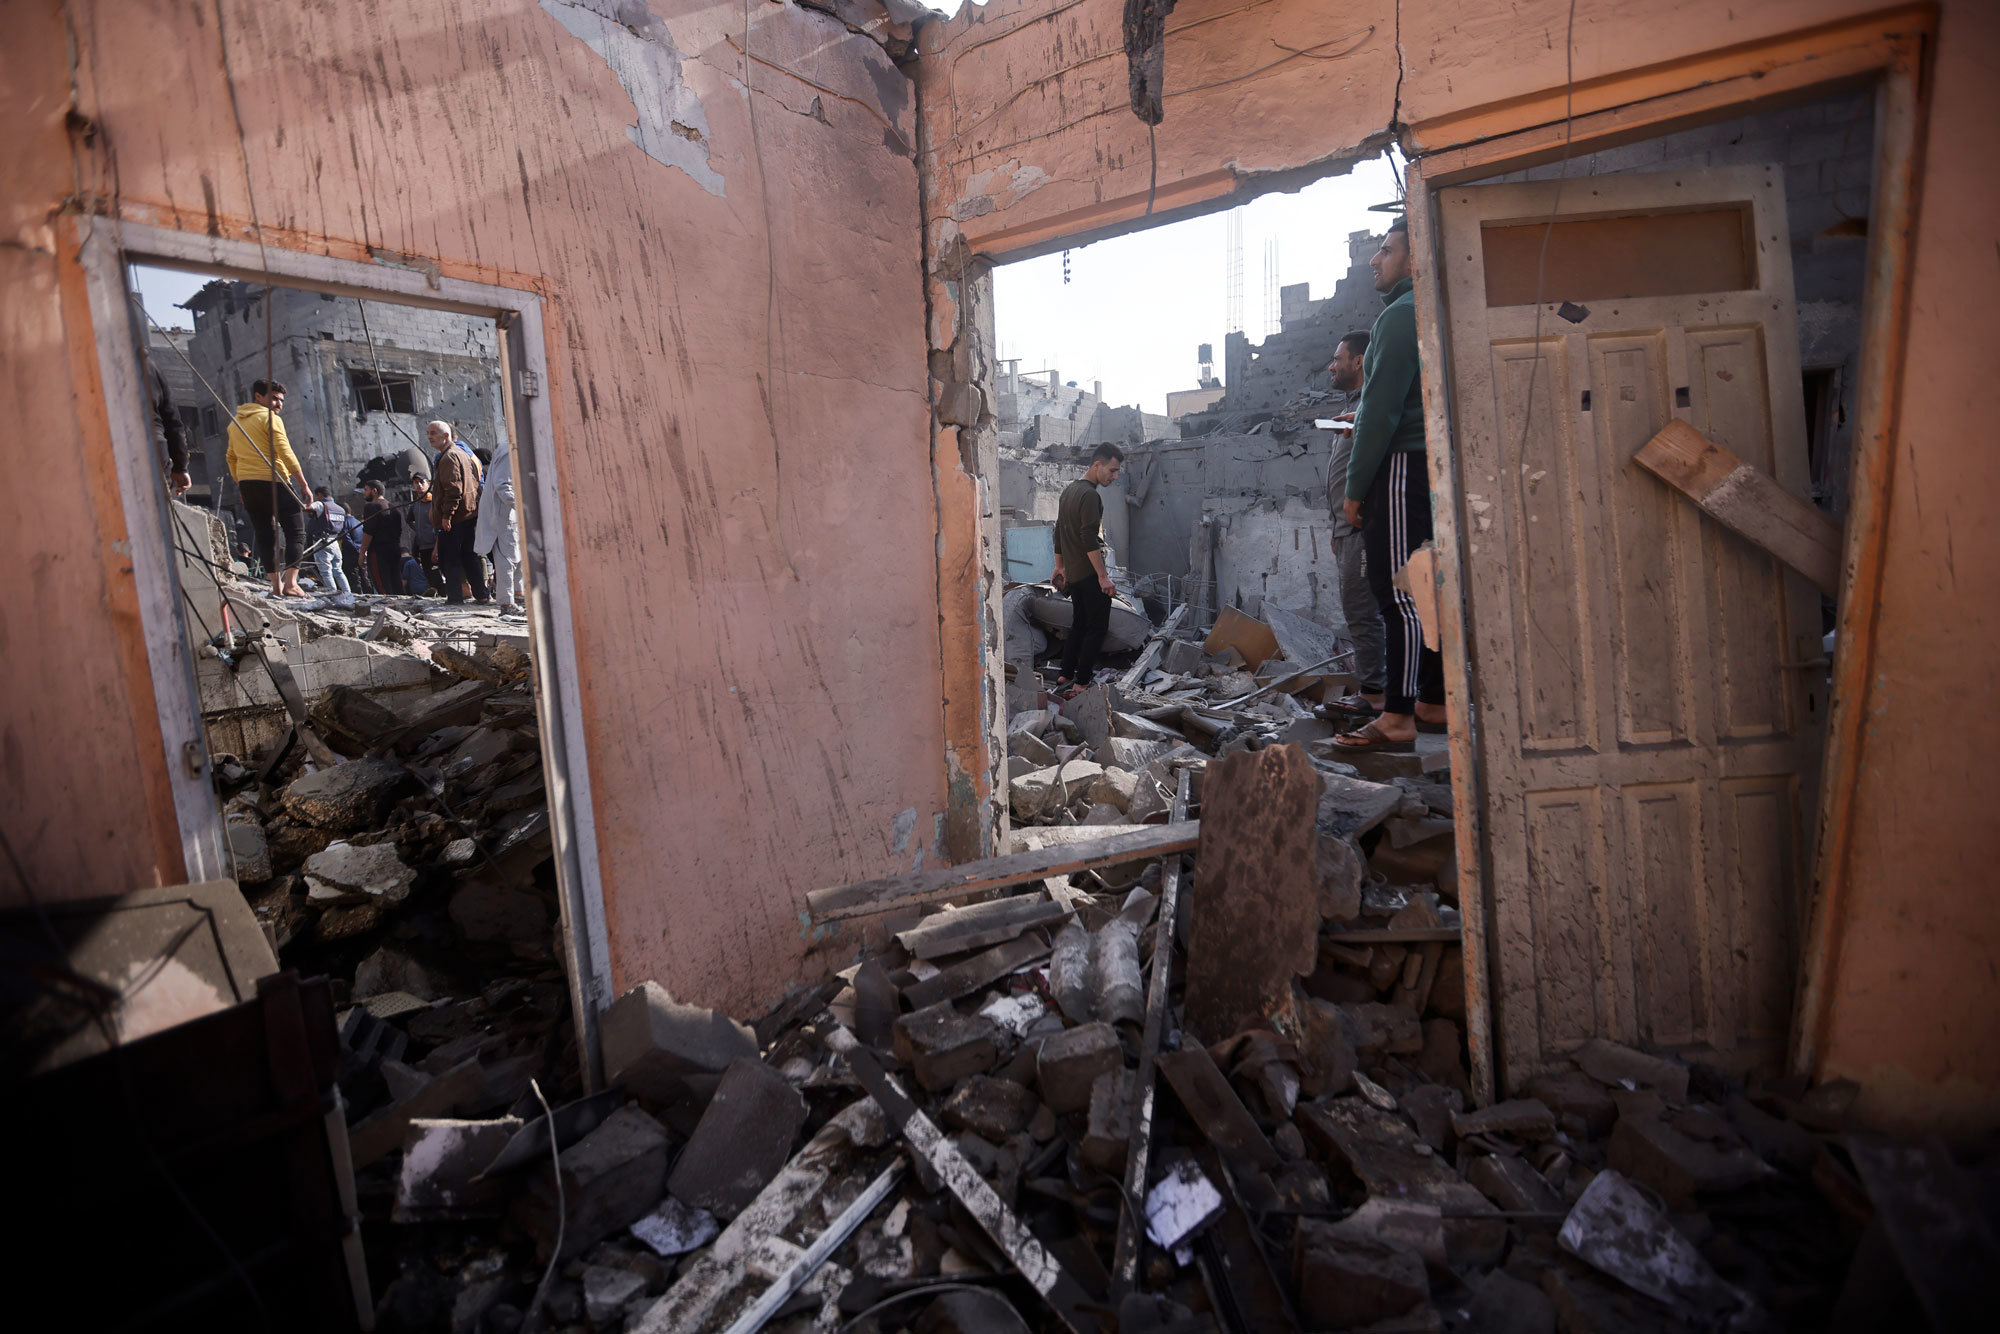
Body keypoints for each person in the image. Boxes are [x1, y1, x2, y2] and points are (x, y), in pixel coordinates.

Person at [1334, 218, 1446, 752]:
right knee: (1423, 589)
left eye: (1385, 250)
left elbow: (1379, 413)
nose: (1375, 261)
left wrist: (1355, 491)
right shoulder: (1428, 311)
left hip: (1402, 465)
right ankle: (1432, 700)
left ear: (1413, 257)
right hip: (1427, 466)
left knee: (1398, 591)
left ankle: (1397, 715)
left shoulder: (1401, 317)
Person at [1322, 331, 1387, 719]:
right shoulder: (1355, 407)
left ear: (1358, 360)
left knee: (1363, 612)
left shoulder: (1371, 406)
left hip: (1362, 529)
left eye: (1337, 358)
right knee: (1357, 609)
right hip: (1345, 531)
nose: (1332, 366)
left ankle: (1376, 695)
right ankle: (1376, 690)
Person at [227, 379, 313, 598]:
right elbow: (284, 450)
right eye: (274, 398)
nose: (278, 404)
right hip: (275, 481)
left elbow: (231, 457)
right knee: (296, 533)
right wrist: (303, 483)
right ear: (258, 397)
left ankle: (275, 588)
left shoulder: (235, 423)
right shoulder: (270, 419)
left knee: (265, 536)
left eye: (281, 400)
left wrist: (240, 484)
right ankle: (291, 584)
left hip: (248, 485)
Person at [1051, 443, 1124, 696]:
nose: (1114, 477)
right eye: (1112, 471)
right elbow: (1088, 538)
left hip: (1074, 574)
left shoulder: (1069, 491)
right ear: (1097, 465)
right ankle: (1081, 683)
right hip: (1090, 575)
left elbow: (1058, 530)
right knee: (1096, 628)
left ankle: (1065, 674)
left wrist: (1059, 566)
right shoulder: (1090, 496)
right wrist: (1103, 577)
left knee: (1079, 624)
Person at [426, 421, 489, 604]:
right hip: (467, 514)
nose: (430, 437)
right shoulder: (461, 453)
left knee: (450, 558)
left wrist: (447, 516)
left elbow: (454, 490)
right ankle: (481, 594)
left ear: (446, 436)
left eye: (433, 433)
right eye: (428, 433)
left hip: (456, 517)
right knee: (469, 556)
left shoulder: (449, 457)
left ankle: (455, 597)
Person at [475, 434, 525, 613]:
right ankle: (506, 602)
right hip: (504, 512)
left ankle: (518, 595)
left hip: (512, 511)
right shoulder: (509, 449)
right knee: (507, 558)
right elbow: (502, 484)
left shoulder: (516, 447)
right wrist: (523, 506)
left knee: (518, 556)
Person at [306, 486, 353, 599]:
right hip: (335, 542)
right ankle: (348, 594)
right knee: (338, 570)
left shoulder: (321, 504)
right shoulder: (340, 509)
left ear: (320, 495)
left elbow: (308, 507)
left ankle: (332, 595)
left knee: (326, 572)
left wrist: (309, 502)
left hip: (322, 542)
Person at [360, 480, 406, 594]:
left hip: (378, 551)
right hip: (395, 549)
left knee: (382, 585)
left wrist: (362, 553)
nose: (364, 493)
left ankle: (391, 608)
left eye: (366, 490)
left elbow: (368, 532)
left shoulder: (371, 506)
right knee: (396, 582)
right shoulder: (394, 508)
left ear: (374, 491)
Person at [405, 474, 440, 594]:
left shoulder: (434, 502)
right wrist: (420, 530)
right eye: (416, 483)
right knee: (428, 573)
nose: (419, 485)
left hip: (434, 544)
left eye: (421, 482)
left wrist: (436, 548)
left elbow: (439, 527)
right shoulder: (415, 504)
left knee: (440, 574)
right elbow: (409, 520)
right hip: (422, 545)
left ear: (428, 484)